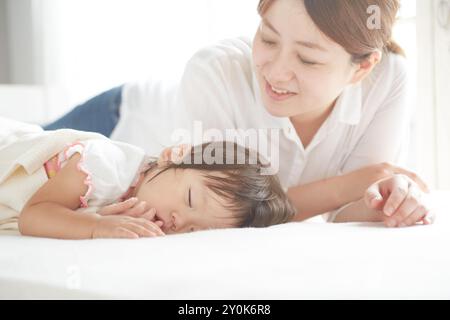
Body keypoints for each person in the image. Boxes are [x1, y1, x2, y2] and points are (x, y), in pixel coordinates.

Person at [43, 0, 432, 227]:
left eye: (308, 59)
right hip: (113, 122)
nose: (276, 73)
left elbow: (347, 211)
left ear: (362, 68)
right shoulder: (214, 71)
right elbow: (227, 213)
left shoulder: (388, 81)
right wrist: (350, 184)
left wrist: (385, 202)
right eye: (267, 38)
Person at [0, 118, 296, 239]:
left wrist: (100, 215)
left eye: (194, 230)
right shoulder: (104, 166)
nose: (178, 222)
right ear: (173, 155)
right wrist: (95, 226)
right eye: (190, 199)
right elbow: (35, 216)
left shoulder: (133, 204)